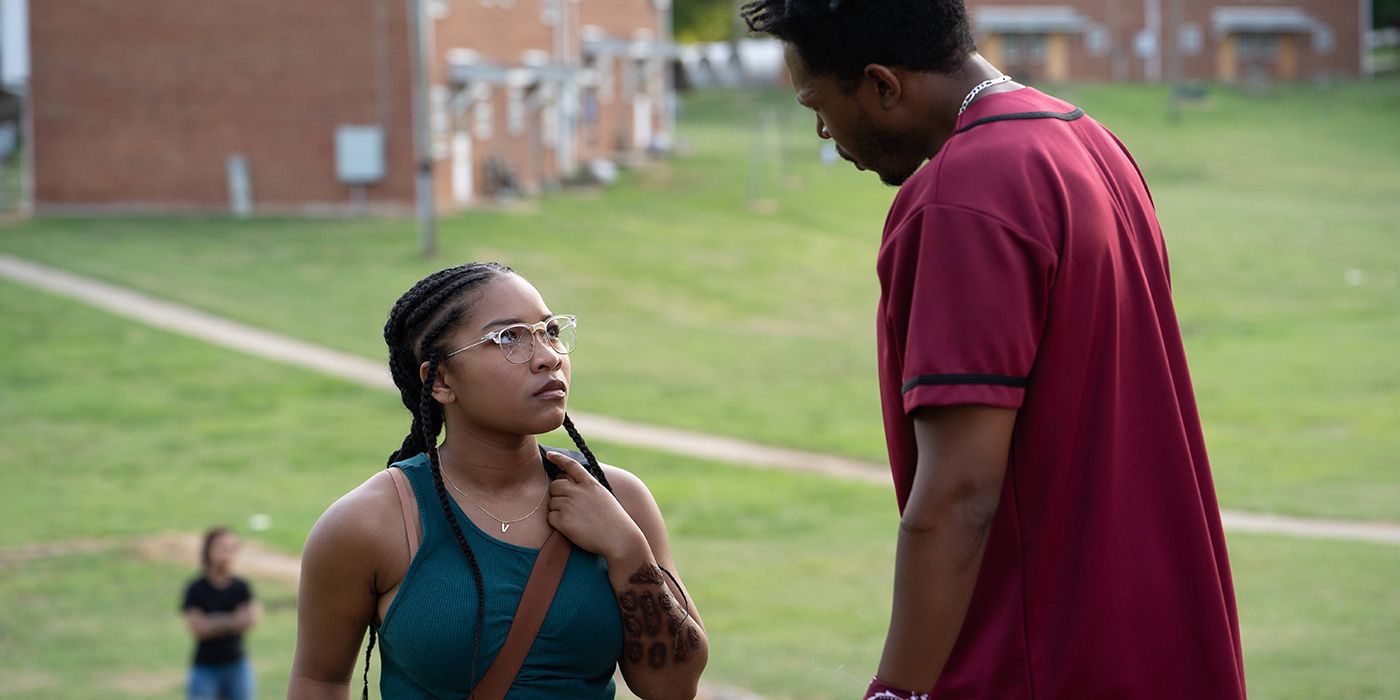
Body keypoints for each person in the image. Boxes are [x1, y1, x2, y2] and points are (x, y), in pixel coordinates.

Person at [741, 1, 1246, 698]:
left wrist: (898, 692)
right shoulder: (1090, 142)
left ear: (883, 86)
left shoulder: (963, 192)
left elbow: (960, 493)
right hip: (1163, 645)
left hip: (1044, 662)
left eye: (817, 106)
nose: (823, 131)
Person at [289, 262, 708, 699]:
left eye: (549, 331)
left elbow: (675, 687)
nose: (548, 356)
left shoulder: (618, 499)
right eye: (509, 338)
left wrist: (626, 548)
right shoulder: (370, 524)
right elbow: (320, 682)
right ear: (442, 381)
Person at [182, 526, 261, 700]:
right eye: (222, 547)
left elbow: (250, 619)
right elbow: (198, 628)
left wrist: (213, 622)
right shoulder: (196, 589)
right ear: (208, 550)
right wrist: (233, 620)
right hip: (205, 669)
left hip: (237, 665)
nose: (228, 552)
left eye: (232, 548)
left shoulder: (242, 587)